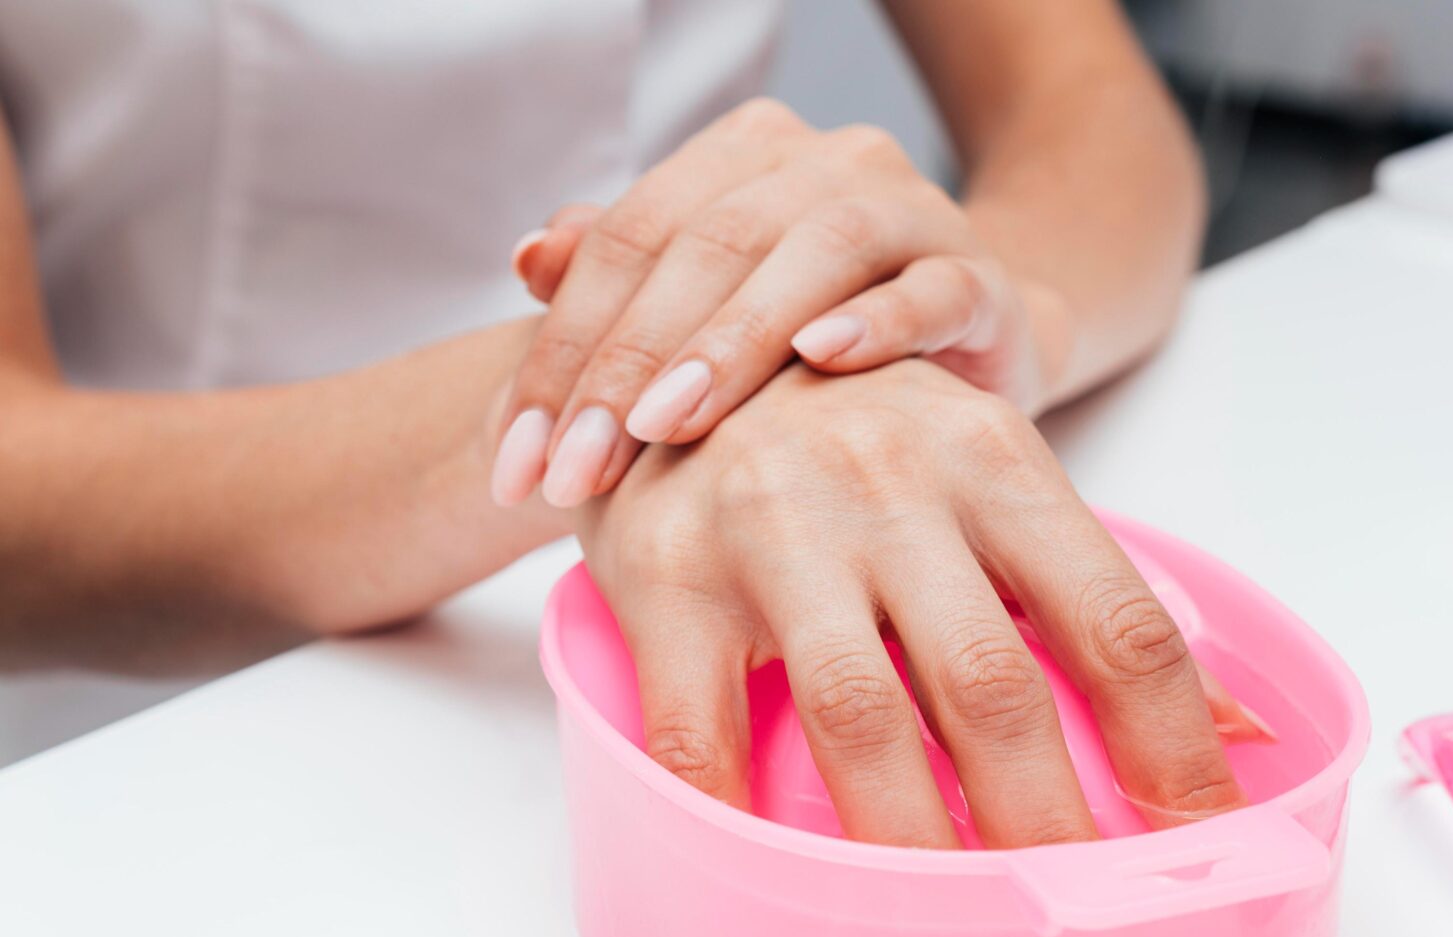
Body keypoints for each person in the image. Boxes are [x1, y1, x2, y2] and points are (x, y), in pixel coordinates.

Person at [0, 0, 1257, 846]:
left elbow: (1090, 107)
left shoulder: (822, 371)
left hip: (822, 524)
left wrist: (970, 301)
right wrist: (644, 393)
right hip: (177, 687)